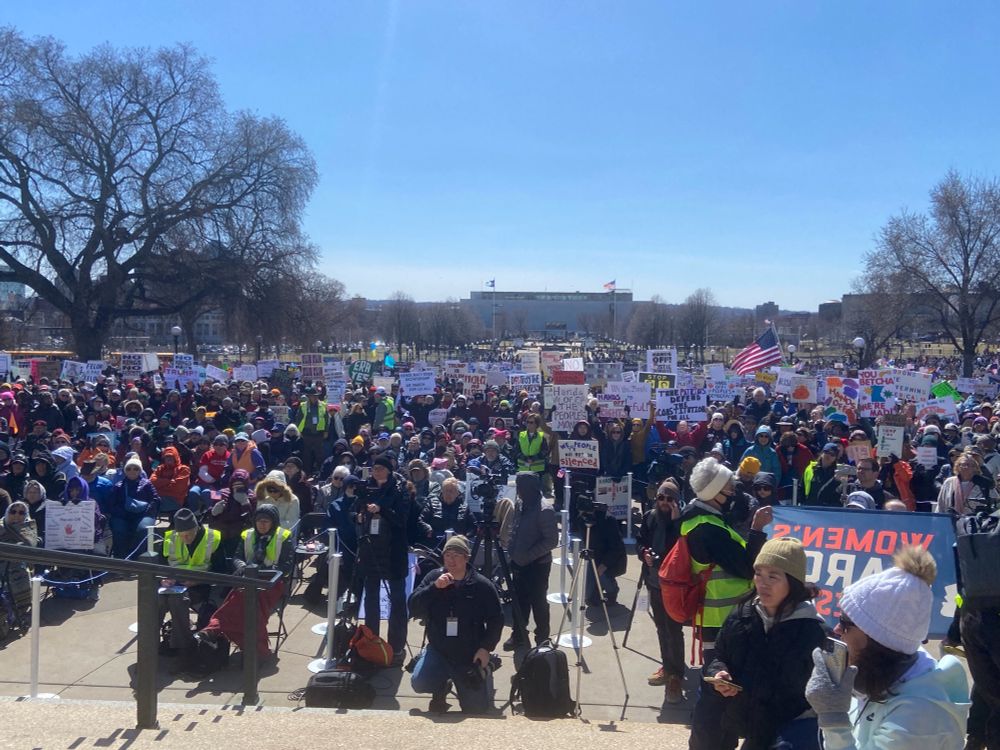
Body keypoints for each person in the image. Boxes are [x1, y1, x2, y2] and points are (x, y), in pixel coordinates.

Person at [805, 546, 970, 749]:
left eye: (845, 622)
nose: (837, 629)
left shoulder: (919, 714)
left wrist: (833, 720)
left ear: (877, 640)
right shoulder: (885, 670)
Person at [697, 537, 826, 750]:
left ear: (792, 582)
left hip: (786, 732)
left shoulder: (813, 632)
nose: (762, 583)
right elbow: (720, 654)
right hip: (745, 724)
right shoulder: (741, 614)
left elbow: (818, 697)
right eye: (758, 573)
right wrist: (720, 672)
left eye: (773, 576)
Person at [684, 457, 771, 750]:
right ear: (714, 493)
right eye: (728, 489)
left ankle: (719, 742)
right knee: (715, 691)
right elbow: (747, 567)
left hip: (718, 618)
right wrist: (757, 530)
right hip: (719, 619)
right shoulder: (709, 528)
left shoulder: (701, 519)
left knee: (721, 689)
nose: (733, 493)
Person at [407, 534, 503, 714]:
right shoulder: (434, 577)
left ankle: (487, 666)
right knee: (419, 683)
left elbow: (496, 619)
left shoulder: (482, 585)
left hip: (469, 653)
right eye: (447, 555)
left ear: (466, 558)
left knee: (477, 711)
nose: (451, 560)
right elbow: (413, 606)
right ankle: (440, 686)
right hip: (439, 649)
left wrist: (486, 648)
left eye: (456, 555)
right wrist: (434, 588)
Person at [196, 504, 293, 661]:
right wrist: (243, 567)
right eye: (259, 520)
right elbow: (237, 557)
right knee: (242, 598)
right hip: (247, 579)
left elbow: (286, 566)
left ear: (273, 522)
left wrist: (262, 571)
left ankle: (215, 628)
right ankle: (254, 650)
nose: (262, 524)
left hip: (272, 583)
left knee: (250, 600)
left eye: (266, 521)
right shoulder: (247, 535)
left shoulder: (284, 536)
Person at [354, 455, 411, 664]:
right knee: (371, 599)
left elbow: (402, 519)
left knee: (397, 599)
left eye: (380, 468)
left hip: (393, 550)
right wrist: (359, 515)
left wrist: (382, 510)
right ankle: (372, 641)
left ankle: (396, 646)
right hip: (371, 548)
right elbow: (356, 509)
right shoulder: (367, 488)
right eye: (374, 468)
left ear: (389, 470)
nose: (376, 472)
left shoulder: (400, 489)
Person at [636, 478, 686, 704]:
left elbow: (683, 548)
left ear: (676, 501)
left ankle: (676, 675)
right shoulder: (650, 517)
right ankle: (667, 666)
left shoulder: (682, 521)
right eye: (661, 498)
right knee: (660, 627)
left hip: (674, 585)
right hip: (654, 581)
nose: (665, 502)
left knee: (673, 629)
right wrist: (643, 553)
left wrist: (676, 522)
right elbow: (640, 541)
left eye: (669, 498)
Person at [157, 507, 227, 654]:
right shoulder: (171, 537)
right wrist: (164, 578)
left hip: (202, 585)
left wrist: (198, 581)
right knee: (157, 600)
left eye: (188, 535)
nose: (185, 539)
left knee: (177, 601)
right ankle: (151, 640)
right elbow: (160, 565)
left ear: (196, 528)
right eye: (181, 535)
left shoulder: (212, 538)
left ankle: (180, 646)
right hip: (175, 584)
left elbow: (222, 570)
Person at [503, 471, 558, 650]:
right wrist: (512, 549)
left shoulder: (545, 509)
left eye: (520, 488)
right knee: (519, 600)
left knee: (538, 601)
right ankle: (518, 634)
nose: (518, 491)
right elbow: (515, 527)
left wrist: (528, 556)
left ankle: (542, 636)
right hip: (518, 561)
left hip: (537, 565)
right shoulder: (520, 504)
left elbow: (551, 540)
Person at [108, 456, 159, 558]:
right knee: (119, 529)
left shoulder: (147, 484)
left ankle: (137, 557)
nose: (132, 471)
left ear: (140, 470)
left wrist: (145, 512)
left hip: (144, 514)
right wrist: (123, 513)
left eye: (135, 468)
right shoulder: (118, 486)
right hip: (123, 515)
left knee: (143, 529)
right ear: (125, 470)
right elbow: (112, 505)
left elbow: (156, 500)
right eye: (129, 468)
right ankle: (120, 558)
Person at [582, 502, 626, 608]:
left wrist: (605, 564)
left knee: (602, 574)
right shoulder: (583, 520)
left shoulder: (608, 521)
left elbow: (617, 549)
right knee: (588, 597)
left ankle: (612, 591)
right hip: (593, 557)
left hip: (611, 560)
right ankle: (597, 588)